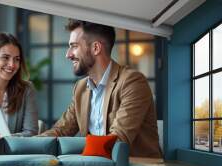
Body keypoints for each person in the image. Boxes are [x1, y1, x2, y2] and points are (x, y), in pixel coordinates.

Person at [40, 19, 162, 158]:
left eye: (74, 46)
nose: (68, 54)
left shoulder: (132, 81)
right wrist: (22, 144)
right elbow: (61, 130)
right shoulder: (81, 88)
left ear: (96, 48)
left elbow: (118, 139)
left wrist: (71, 148)